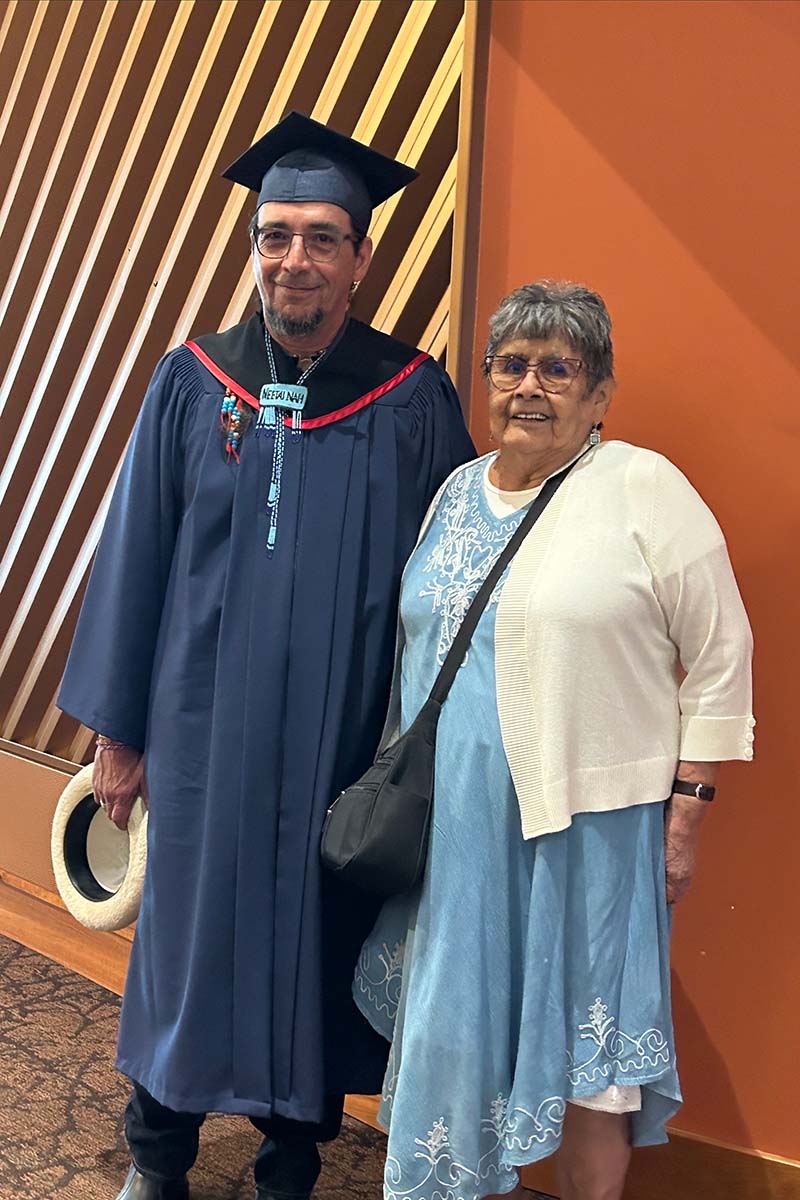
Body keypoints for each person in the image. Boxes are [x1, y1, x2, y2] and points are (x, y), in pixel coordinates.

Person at [57, 111, 474, 1200]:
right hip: (201, 743)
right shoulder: (193, 383)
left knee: (315, 949)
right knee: (185, 950)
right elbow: (131, 560)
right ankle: (158, 1156)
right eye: (273, 234)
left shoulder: (412, 398)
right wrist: (117, 733)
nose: (294, 257)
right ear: (252, 247)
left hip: (342, 751)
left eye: (321, 236)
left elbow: (456, 579)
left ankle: (291, 1156)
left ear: (359, 257)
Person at [355, 281, 754, 1200]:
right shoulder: (455, 493)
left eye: (558, 368)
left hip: (585, 834)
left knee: (590, 1066)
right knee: (450, 1035)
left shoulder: (644, 489)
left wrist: (687, 812)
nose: (530, 386)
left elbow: (724, 654)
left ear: (601, 392)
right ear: (486, 381)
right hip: (451, 841)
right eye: (511, 365)